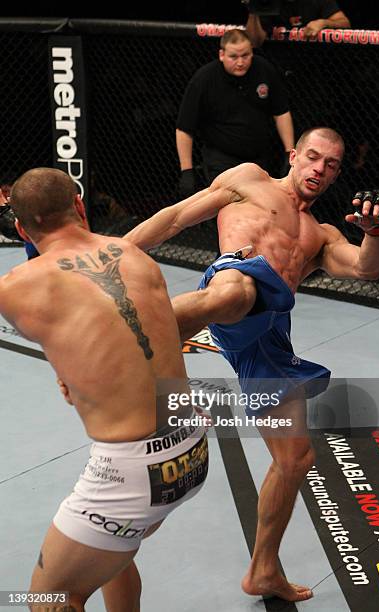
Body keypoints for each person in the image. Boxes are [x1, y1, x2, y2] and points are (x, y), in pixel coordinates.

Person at [125, 127, 379, 602]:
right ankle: (119, 339)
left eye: (331, 166)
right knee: (238, 289)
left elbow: (366, 269)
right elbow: (174, 219)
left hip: (268, 335)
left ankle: (263, 571)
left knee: (295, 460)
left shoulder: (321, 234)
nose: (319, 170)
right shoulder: (249, 180)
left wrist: (375, 232)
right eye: (313, 157)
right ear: (294, 155)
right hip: (231, 287)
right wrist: (114, 255)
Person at [0, 167, 209, 612]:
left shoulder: (16, 287)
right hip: (191, 451)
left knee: (49, 598)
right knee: (114, 553)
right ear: (79, 205)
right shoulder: (134, 256)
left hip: (130, 474)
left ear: (21, 228)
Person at [177, 28, 294, 199]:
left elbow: (281, 112)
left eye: (245, 55)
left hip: (259, 157)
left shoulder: (264, 69)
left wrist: (288, 151)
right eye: (233, 57)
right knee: (229, 208)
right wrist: (186, 170)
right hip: (221, 159)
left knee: (262, 207)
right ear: (221, 54)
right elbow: (184, 127)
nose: (240, 62)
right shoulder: (204, 79)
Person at [245, 0, 351, 47]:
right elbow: (255, 42)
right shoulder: (267, 2)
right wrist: (253, 9)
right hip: (276, 65)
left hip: (313, 64)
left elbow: (344, 23)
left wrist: (324, 23)